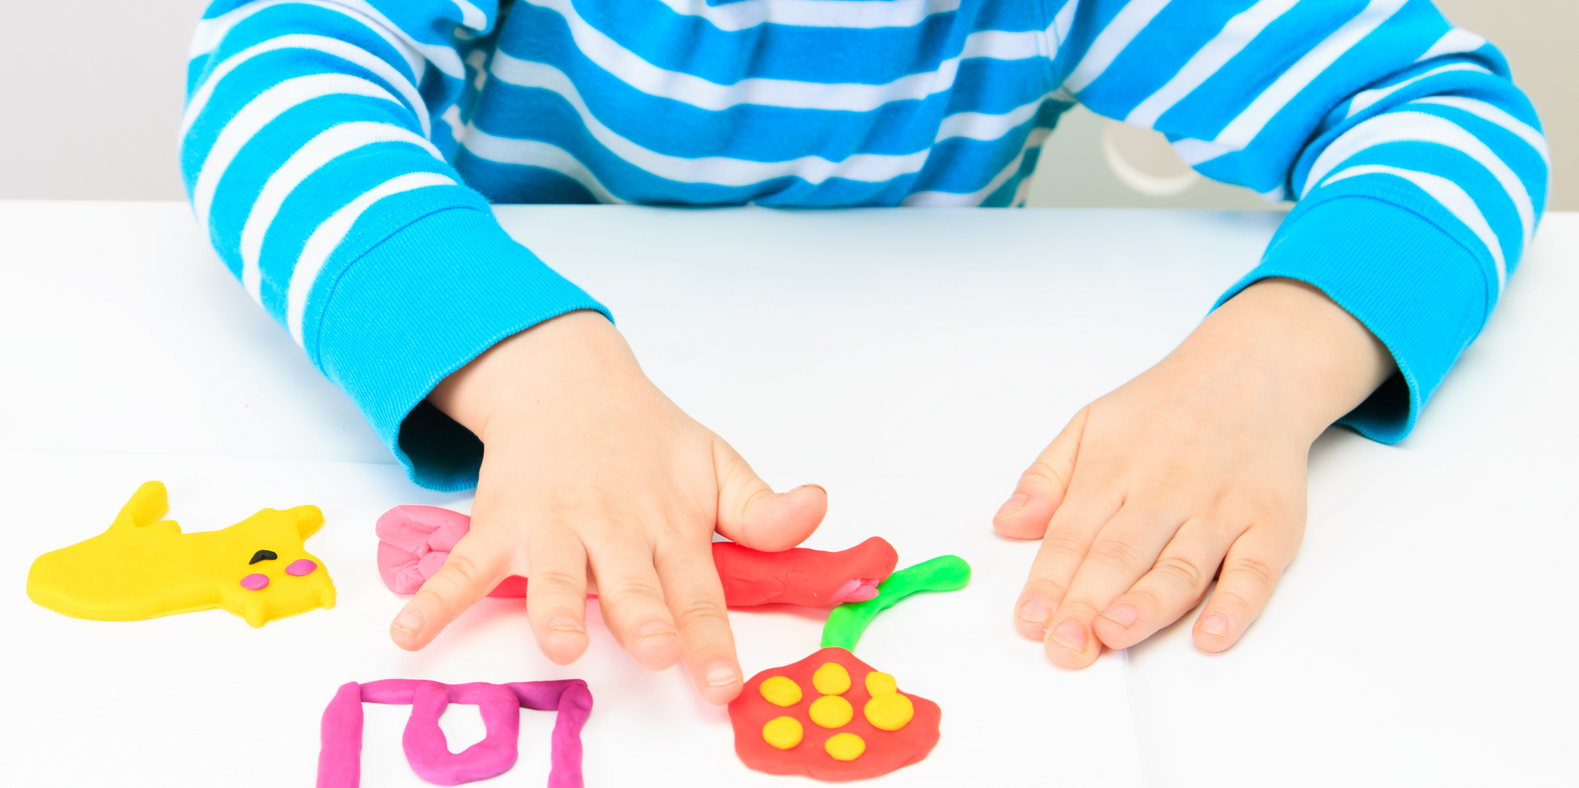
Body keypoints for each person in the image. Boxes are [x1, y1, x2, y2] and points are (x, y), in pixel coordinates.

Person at [180, 0, 1546, 703]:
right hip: (531, 413)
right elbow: (271, 75)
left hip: (925, 440)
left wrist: (1269, 366)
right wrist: (527, 364)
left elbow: (1444, 112)